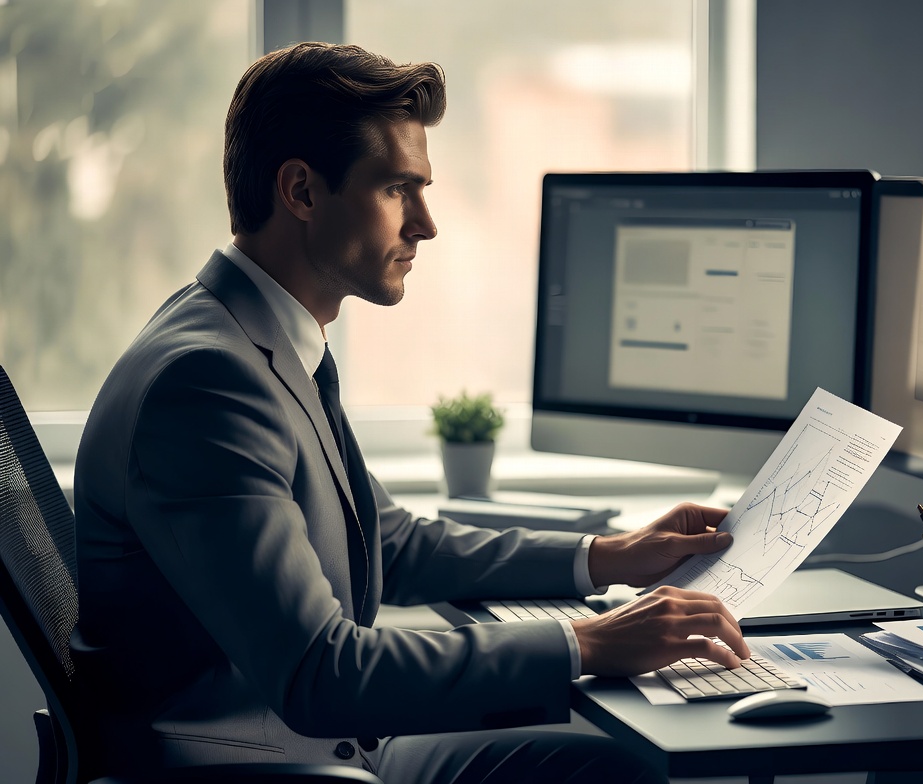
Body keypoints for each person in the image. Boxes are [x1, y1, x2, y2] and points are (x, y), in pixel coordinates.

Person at [71, 41, 749, 783]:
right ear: (300, 191)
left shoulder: (258, 339)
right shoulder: (207, 383)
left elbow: (387, 542)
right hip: (262, 765)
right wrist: (583, 643)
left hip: (316, 747)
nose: (425, 223)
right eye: (398, 189)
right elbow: (320, 674)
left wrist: (603, 557)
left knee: (606, 758)